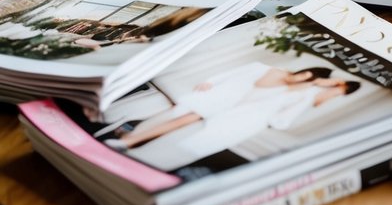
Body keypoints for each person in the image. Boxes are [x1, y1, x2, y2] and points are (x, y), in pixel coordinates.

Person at [103, 63, 335, 150]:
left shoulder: (292, 91)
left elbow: (268, 107)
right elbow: (234, 71)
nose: (301, 79)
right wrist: (210, 81)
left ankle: (128, 141)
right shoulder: (264, 67)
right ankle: (128, 133)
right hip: (216, 95)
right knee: (170, 111)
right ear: (303, 70)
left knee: (179, 120)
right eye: (304, 74)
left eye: (307, 80)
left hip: (225, 106)